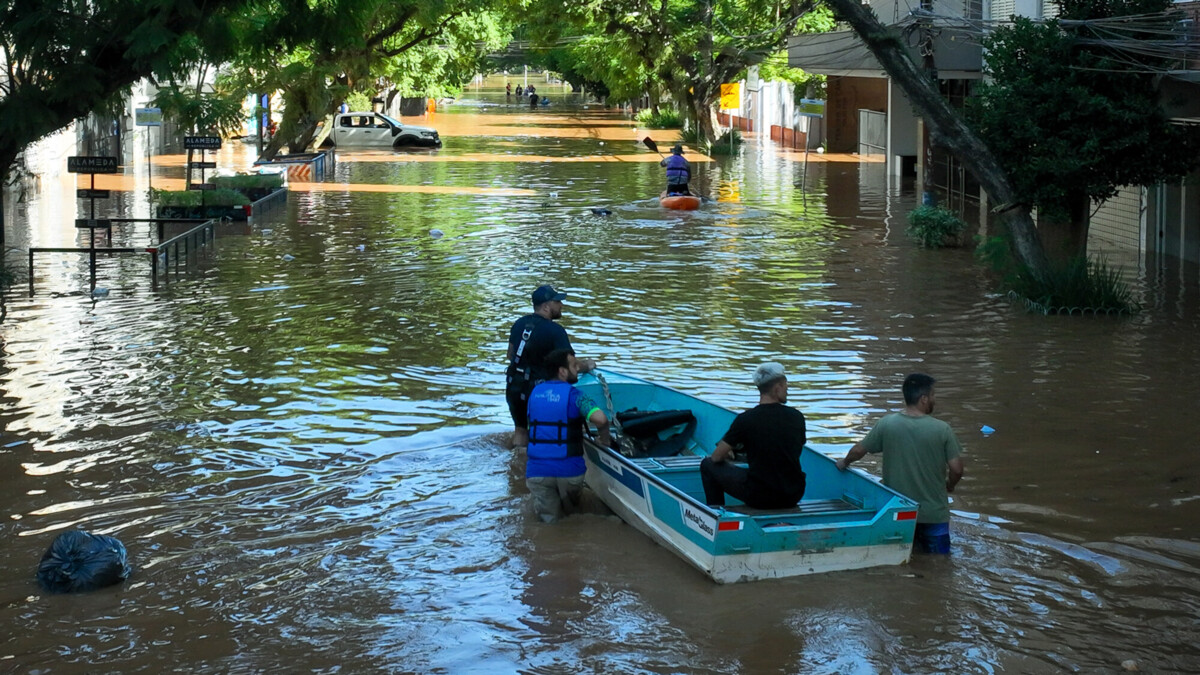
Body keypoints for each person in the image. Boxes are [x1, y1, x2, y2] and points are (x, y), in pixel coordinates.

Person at [835, 373, 965, 554]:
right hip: (934, 515)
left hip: (898, 513)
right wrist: (949, 485)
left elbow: (859, 450)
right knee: (939, 565)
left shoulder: (886, 424)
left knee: (901, 559)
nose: (935, 400)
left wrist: (843, 462)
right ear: (924, 399)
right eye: (933, 395)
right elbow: (957, 469)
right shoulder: (942, 429)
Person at [700, 362, 807, 509]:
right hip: (793, 495)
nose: (787, 389)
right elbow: (791, 447)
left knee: (707, 465)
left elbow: (716, 457)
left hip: (760, 497)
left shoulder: (746, 419)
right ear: (777, 388)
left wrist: (730, 452)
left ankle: (715, 513)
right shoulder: (797, 416)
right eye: (785, 385)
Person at [525, 348, 612, 523]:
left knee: (549, 523)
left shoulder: (534, 394)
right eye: (574, 366)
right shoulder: (576, 396)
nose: (577, 370)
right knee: (572, 516)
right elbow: (601, 419)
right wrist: (604, 441)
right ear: (562, 371)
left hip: (537, 472)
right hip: (569, 471)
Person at [506, 284, 596, 451]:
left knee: (520, 431)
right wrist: (588, 365)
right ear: (546, 306)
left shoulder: (519, 324)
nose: (561, 305)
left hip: (513, 386)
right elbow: (571, 365)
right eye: (557, 302)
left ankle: (516, 466)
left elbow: (510, 355)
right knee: (544, 433)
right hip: (538, 391)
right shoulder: (556, 331)